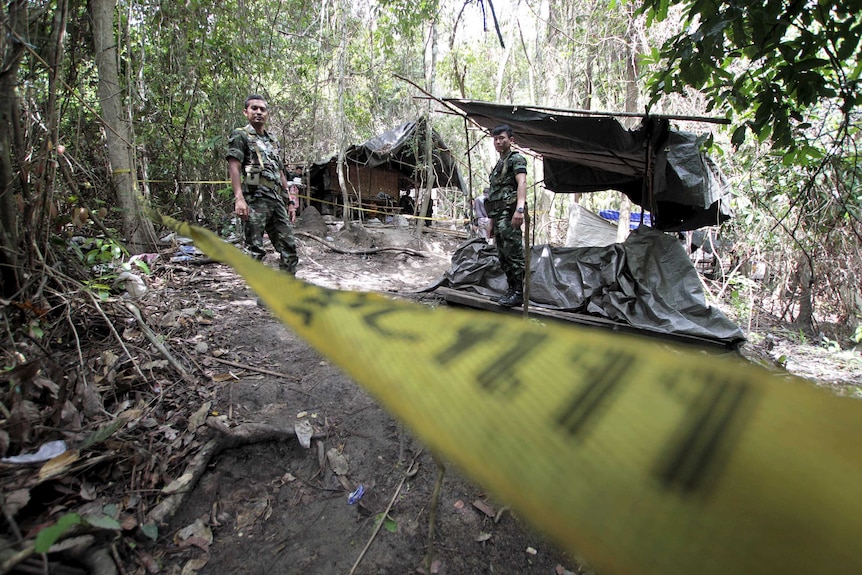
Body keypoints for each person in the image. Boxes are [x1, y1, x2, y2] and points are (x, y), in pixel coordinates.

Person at [226, 95, 298, 274]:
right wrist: (239, 199)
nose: (258, 112)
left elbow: (280, 172)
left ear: (267, 114)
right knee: (255, 250)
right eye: (254, 108)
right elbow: (234, 166)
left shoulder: (272, 141)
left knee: (288, 247)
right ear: (246, 112)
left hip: (276, 200)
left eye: (262, 109)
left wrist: (289, 201)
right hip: (255, 198)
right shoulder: (241, 135)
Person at [486, 124, 527, 307]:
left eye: (502, 138)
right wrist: (491, 222)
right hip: (498, 214)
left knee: (514, 253)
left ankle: (518, 293)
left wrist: (519, 209)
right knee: (503, 255)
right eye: (495, 139)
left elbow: (522, 182)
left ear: (511, 140)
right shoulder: (499, 165)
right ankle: (510, 291)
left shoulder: (515, 159)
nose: (498, 142)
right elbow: (494, 194)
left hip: (510, 214)